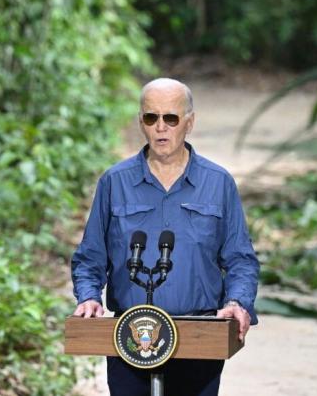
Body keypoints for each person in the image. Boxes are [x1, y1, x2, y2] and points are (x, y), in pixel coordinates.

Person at [71, 77, 260, 396]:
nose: (161, 127)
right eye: (151, 117)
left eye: (170, 118)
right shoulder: (114, 182)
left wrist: (237, 302)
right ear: (141, 122)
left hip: (198, 336)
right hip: (130, 336)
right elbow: (90, 257)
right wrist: (88, 297)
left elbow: (240, 259)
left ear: (189, 122)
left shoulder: (218, 183)